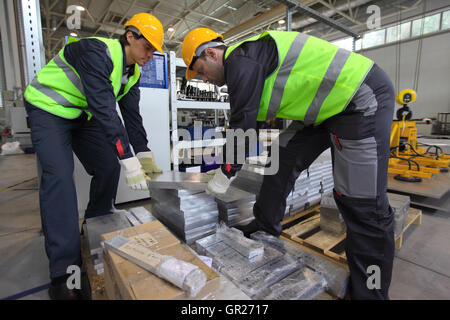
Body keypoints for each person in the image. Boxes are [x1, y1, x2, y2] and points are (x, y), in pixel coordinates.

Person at [181, 28, 396, 300]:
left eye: (200, 71)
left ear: (210, 53)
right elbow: (250, 124)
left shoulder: (241, 61)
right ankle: (266, 227)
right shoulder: (248, 65)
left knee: (362, 202)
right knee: (280, 158)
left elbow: (242, 124)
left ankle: (372, 292)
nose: (205, 80)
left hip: (358, 97)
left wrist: (226, 171)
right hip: (324, 110)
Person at [23, 13, 164, 300]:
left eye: (153, 50)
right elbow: (104, 108)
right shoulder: (94, 51)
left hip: (80, 115)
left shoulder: (131, 73)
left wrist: (145, 155)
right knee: (60, 179)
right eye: (147, 46)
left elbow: (132, 119)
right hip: (48, 110)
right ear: (130, 36)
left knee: (107, 167)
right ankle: (63, 273)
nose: (150, 54)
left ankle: (95, 228)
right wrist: (128, 158)